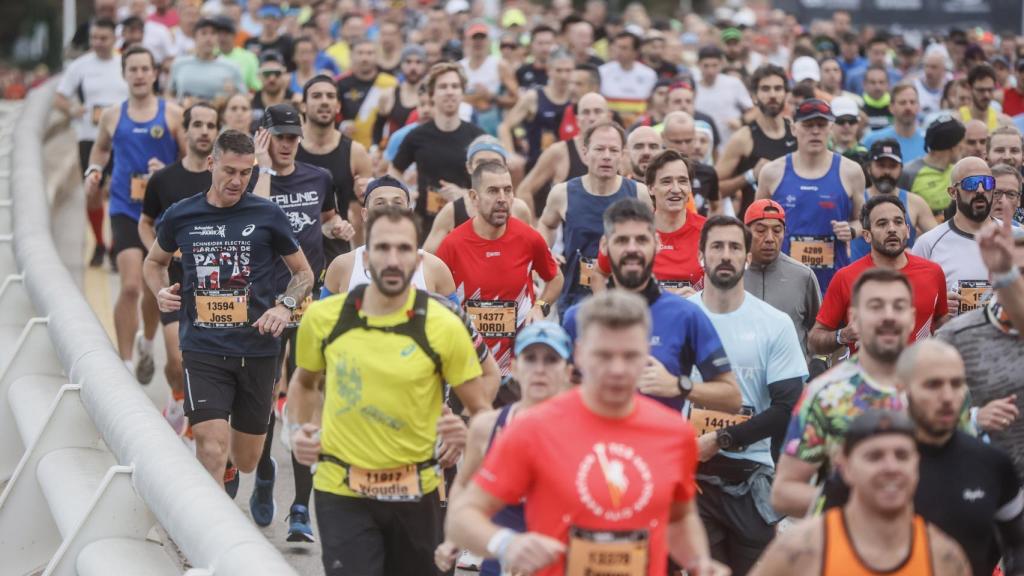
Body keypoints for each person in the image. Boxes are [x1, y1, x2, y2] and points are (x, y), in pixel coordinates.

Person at [445, 290, 729, 576]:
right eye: (604, 355)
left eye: (630, 355)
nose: (617, 369)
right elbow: (462, 517)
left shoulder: (674, 434)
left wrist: (698, 563)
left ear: (646, 352)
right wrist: (507, 543)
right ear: (579, 354)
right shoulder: (534, 428)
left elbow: (680, 518)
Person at [289, 205, 493, 576]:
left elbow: (481, 410)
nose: (393, 259)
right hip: (342, 488)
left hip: (417, 491)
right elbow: (304, 383)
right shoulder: (325, 318)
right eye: (383, 248)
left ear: (418, 259)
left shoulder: (444, 326)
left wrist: (463, 435)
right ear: (366, 258)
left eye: (403, 249)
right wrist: (299, 431)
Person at [143, 129, 313, 491]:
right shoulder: (181, 215)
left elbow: (303, 274)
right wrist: (160, 291)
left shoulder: (267, 214)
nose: (237, 181)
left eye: (245, 172)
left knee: (246, 457)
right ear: (211, 164)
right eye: (229, 171)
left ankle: (236, 468)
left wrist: (284, 307)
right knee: (210, 445)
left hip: (257, 349)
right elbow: (153, 262)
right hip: (203, 348)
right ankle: (208, 539)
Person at [685, 215, 808, 575]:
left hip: (752, 477)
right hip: (691, 476)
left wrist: (721, 438)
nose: (726, 255)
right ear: (701, 256)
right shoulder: (679, 317)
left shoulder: (774, 323)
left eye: (735, 247)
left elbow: (787, 408)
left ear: (747, 257)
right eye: (717, 247)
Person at [565, 198, 739, 415]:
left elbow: (732, 397)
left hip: (660, 446)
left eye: (641, 240)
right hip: (595, 446)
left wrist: (678, 386)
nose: (632, 249)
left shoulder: (686, 315)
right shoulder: (577, 318)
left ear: (656, 244)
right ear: (604, 245)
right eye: (621, 240)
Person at [772, 269, 918, 518]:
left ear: (912, 317)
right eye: (876, 307)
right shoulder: (827, 394)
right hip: (848, 549)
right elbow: (784, 493)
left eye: (899, 306)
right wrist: (858, 504)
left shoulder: (940, 387)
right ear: (854, 318)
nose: (888, 316)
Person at [753, 410, 971, 576]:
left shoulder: (943, 557)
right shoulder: (800, 550)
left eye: (902, 455)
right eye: (874, 456)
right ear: (845, 466)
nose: (891, 467)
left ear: (917, 465)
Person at [434, 321, 573, 575]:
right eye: (530, 359)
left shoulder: (585, 429)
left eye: (551, 359)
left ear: (567, 371)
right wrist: (453, 536)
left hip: (562, 559)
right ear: (515, 368)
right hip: (502, 559)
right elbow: (465, 485)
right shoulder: (487, 427)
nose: (539, 369)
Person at [86, 46, 184, 384]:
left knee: (153, 287)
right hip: (126, 209)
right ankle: (125, 364)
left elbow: (192, 162)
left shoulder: (172, 114)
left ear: (155, 74)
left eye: (145, 69)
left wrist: (167, 169)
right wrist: (94, 171)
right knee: (129, 286)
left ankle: (148, 341)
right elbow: (100, 148)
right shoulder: (113, 115)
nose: (140, 75)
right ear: (124, 74)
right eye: (133, 69)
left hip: (163, 215)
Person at [900, 339, 1024, 576]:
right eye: (933, 384)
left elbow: (1018, 545)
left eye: (956, 384)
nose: (947, 396)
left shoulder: (992, 463)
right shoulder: (872, 462)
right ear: (903, 388)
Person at [436, 161, 563, 375]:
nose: (502, 199)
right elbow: (433, 294)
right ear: (474, 197)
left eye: (507, 190)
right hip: (471, 364)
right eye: (493, 191)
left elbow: (555, 277)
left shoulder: (528, 237)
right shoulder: (452, 244)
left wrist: (540, 306)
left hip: (518, 364)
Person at [138, 102, 218, 436]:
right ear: (184, 131)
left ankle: (191, 416)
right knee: (176, 359)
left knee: (203, 360)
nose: (203, 131)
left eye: (210, 125)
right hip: (175, 284)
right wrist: (159, 255)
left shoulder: (225, 179)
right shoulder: (163, 179)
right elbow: (145, 224)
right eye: (197, 124)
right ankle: (176, 395)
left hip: (214, 284)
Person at [937, 217, 1024, 477]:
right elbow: (920, 408)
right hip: (984, 484)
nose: (1017, 282)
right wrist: (973, 418)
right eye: (1013, 272)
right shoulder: (956, 335)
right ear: (992, 273)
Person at [809, 195, 948, 357]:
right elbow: (814, 341)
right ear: (867, 235)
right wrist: (843, 335)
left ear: (908, 231)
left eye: (898, 222)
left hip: (917, 377)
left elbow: (940, 323)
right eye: (882, 224)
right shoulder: (845, 277)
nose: (891, 229)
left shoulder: (933, 272)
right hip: (867, 378)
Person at [538, 122, 651, 315]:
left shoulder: (638, 193)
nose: (606, 156)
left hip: (625, 297)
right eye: (599, 149)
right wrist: (546, 252)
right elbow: (547, 224)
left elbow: (652, 240)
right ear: (585, 153)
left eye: (613, 150)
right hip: (575, 298)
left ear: (622, 155)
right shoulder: (562, 193)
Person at [757, 98, 866, 293]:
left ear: (830, 127)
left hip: (833, 281)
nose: (815, 131)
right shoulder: (772, 172)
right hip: (783, 282)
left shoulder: (851, 171)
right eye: (807, 125)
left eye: (821, 125)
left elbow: (864, 221)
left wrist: (850, 230)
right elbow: (754, 226)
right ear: (793, 128)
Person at [54, 18, 127, 268]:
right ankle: (99, 243)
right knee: (93, 189)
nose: (98, 43)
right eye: (94, 38)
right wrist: (75, 110)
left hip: (122, 138)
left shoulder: (124, 63)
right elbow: (60, 98)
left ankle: (118, 246)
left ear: (114, 38)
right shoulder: (80, 66)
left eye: (103, 38)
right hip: (90, 137)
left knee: (120, 191)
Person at [321, 177, 457, 298]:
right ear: (365, 214)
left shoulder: (434, 267)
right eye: (380, 203)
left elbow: (455, 324)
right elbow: (324, 322)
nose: (389, 209)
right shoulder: (342, 265)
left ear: (409, 212)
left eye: (397, 203)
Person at [392, 62, 485, 234]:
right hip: (425, 225)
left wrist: (464, 194)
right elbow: (394, 171)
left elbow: (490, 184)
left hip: (468, 225)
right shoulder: (417, 135)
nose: (449, 91)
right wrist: (405, 194)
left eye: (455, 86)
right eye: (443, 86)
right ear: (432, 94)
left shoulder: (477, 137)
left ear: (462, 92)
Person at [296, 75, 371, 261]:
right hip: (294, 252)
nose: (324, 101)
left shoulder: (355, 151)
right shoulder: (288, 149)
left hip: (338, 253)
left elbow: (368, 213)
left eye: (330, 96)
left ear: (338, 106)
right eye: (317, 96)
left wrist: (364, 195)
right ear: (303, 105)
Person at [913, 157, 997, 316]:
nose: (980, 190)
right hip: (951, 339)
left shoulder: (1017, 238)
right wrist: (937, 305)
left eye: (987, 183)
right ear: (953, 192)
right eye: (971, 183)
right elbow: (912, 304)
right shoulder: (928, 244)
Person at [423, 136, 533, 252]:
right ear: (469, 167)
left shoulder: (519, 209)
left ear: (505, 166)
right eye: (481, 163)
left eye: (495, 163)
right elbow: (426, 259)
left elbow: (536, 253)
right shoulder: (452, 211)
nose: (488, 170)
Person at [743, 199, 821, 359]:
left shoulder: (803, 276)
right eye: (760, 230)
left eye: (777, 230)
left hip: (792, 377)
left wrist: (819, 362)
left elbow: (820, 330)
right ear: (746, 232)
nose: (770, 238)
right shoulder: (732, 274)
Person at [716, 65, 795, 218]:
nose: (772, 95)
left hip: (795, 225)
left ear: (786, 94)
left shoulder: (798, 133)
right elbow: (714, 188)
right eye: (765, 89)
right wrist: (750, 175)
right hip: (755, 229)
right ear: (753, 96)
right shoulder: (743, 138)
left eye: (778, 88)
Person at [514, 91, 610, 217]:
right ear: (577, 120)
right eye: (586, 112)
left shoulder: (622, 151)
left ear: (608, 117)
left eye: (597, 111)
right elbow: (524, 190)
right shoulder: (559, 152)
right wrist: (533, 229)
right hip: (568, 233)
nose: (592, 118)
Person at [850, 139, 937, 260]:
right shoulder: (855, 198)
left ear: (901, 168)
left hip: (902, 276)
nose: (886, 171)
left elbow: (938, 241)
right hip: (859, 276)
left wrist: (917, 252)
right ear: (869, 168)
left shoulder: (916, 203)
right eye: (881, 165)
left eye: (892, 166)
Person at [498, 49, 573, 174]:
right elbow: (504, 126)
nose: (563, 76)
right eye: (559, 70)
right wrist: (510, 155)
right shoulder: (534, 97)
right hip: (537, 166)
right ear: (549, 71)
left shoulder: (577, 98)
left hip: (569, 166)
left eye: (568, 70)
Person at [336, 39, 398, 149]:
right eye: (360, 53)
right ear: (352, 56)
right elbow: (332, 115)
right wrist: (341, 125)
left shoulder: (391, 83)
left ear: (377, 56)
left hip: (381, 148)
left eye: (370, 53)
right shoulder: (340, 83)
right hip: (348, 146)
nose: (365, 58)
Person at [166, 17, 246, 103]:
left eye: (213, 33)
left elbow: (243, 97)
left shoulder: (232, 67)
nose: (209, 38)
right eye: (204, 33)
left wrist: (232, 93)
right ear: (194, 37)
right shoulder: (179, 64)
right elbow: (168, 94)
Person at [459, 21, 518, 137]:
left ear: (489, 41)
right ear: (467, 41)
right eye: (474, 38)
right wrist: (474, 98)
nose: (478, 42)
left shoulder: (499, 65)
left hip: (491, 122)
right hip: (465, 121)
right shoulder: (460, 67)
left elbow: (516, 99)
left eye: (482, 38)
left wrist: (491, 96)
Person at [899, 114, 966, 217]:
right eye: (962, 142)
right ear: (953, 147)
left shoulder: (958, 171)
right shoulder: (908, 173)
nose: (963, 147)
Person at [695, 45, 752, 146]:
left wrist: (741, 121)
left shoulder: (733, 83)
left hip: (731, 144)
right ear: (698, 64)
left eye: (714, 65)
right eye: (706, 66)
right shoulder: (693, 87)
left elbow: (752, 110)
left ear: (721, 64)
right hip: (702, 146)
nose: (710, 71)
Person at [598, 31, 656, 126]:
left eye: (624, 48)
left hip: (639, 127)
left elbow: (651, 106)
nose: (619, 51)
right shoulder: (602, 72)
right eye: (617, 47)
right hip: (610, 126)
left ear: (635, 52)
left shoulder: (649, 75)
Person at [862, 84, 926, 163]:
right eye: (902, 103)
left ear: (919, 106)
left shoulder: (929, 140)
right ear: (891, 108)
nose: (908, 107)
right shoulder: (872, 140)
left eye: (912, 102)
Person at [378, 45, 428, 142]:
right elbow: (378, 127)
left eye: (418, 62)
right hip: (395, 150)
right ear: (401, 65)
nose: (413, 67)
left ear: (425, 65)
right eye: (408, 62)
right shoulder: (389, 94)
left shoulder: (432, 96)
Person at [214, 15, 260, 93]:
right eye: (219, 33)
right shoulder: (208, 55)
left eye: (226, 33)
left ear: (234, 35)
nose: (222, 38)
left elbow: (256, 85)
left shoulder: (248, 57)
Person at [960, 63, 1011, 132]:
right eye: (981, 90)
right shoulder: (958, 121)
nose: (986, 95)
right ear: (970, 89)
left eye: (990, 90)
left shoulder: (1004, 123)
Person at [250, 51, 293, 131]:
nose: (272, 78)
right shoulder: (250, 102)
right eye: (267, 73)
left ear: (284, 74)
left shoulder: (295, 101)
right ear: (259, 75)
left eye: (277, 73)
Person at [861, 65, 894, 133]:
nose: (877, 87)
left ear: (888, 84)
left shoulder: (896, 105)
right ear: (864, 84)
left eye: (881, 82)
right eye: (873, 82)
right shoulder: (858, 106)